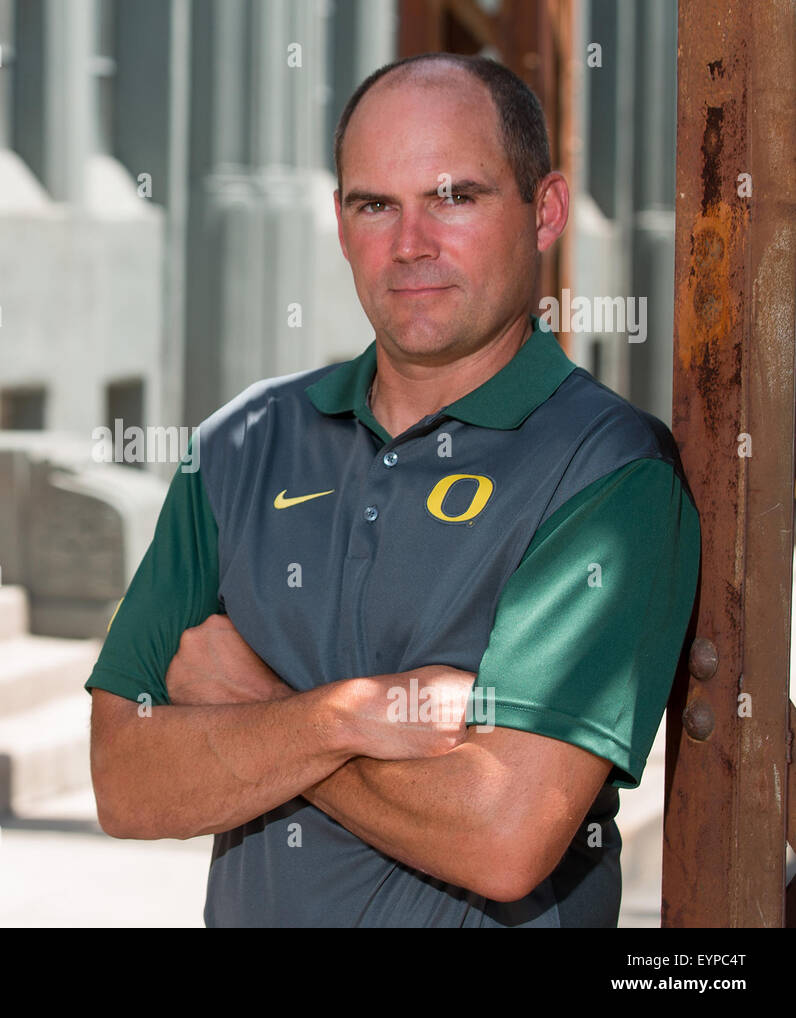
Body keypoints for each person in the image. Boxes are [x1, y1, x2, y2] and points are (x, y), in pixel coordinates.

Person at [84, 52, 700, 927]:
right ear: (341, 224)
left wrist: (260, 707)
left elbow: (503, 836)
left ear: (545, 211)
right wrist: (354, 716)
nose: (410, 244)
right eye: (376, 204)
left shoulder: (608, 471)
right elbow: (126, 782)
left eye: (455, 196)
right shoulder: (242, 445)